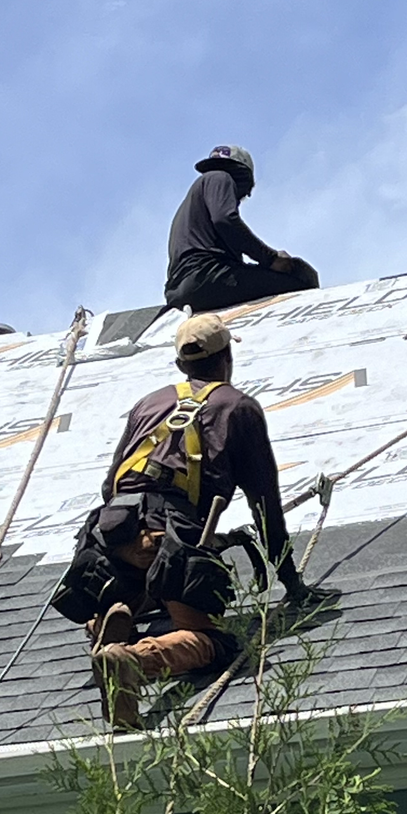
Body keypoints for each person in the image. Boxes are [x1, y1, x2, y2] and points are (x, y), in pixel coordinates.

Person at [52, 311, 312, 728]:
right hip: (172, 532)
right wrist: (292, 583)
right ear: (227, 357)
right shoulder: (238, 407)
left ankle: (115, 616)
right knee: (211, 641)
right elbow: (265, 503)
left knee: (146, 569)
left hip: (109, 531)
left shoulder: (149, 403)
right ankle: (131, 661)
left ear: (180, 365)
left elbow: (110, 484)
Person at [166, 144, 319, 312]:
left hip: (178, 290)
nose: (238, 200)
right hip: (207, 277)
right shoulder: (221, 178)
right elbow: (225, 220)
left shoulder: (195, 201)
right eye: (243, 194)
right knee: (301, 277)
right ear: (243, 178)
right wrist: (270, 258)